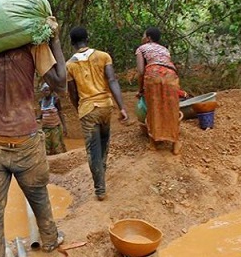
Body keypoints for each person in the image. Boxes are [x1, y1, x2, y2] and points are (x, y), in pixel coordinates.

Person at [0, 18, 66, 257]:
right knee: (38, 195)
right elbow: (60, 82)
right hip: (25, 139)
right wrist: (54, 40)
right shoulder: (34, 47)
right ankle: (50, 240)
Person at [66, 26, 128, 201]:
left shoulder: (69, 65)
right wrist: (122, 107)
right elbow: (112, 80)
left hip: (88, 110)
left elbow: (73, 93)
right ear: (88, 38)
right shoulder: (103, 56)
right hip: (106, 106)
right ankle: (102, 174)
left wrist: (79, 108)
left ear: (72, 43)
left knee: (93, 149)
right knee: (104, 141)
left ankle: (100, 189)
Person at [135, 27, 185, 155]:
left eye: (143, 35)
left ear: (149, 38)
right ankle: (175, 142)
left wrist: (140, 89)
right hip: (171, 76)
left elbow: (141, 71)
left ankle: (153, 142)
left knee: (153, 108)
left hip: (153, 75)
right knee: (172, 108)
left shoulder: (141, 49)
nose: (142, 38)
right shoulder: (165, 49)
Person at [38, 82, 68, 155]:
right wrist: (36, 119)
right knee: (46, 148)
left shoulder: (55, 100)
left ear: (51, 90)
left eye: (48, 90)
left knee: (57, 147)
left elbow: (60, 113)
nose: (47, 92)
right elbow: (42, 114)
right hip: (45, 128)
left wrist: (64, 127)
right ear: (42, 91)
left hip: (55, 128)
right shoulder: (41, 101)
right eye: (45, 90)